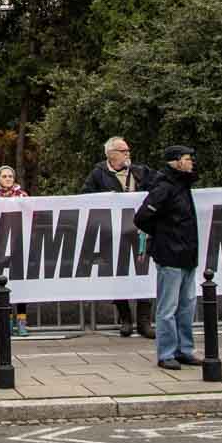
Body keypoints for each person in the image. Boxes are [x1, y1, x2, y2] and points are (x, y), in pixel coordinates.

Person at [136, 146, 201, 371]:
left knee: (187, 306)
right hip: (171, 254)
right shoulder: (164, 187)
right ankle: (166, 353)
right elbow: (142, 217)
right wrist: (163, 235)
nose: (191, 162)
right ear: (175, 162)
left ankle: (185, 350)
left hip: (187, 254)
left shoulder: (183, 185)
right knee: (168, 308)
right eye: (186, 158)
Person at [81, 136, 149, 337]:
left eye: (128, 150)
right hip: (114, 233)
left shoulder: (139, 172)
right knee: (119, 276)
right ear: (111, 154)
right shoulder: (98, 174)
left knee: (143, 273)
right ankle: (126, 318)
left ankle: (144, 321)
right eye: (123, 151)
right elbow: (86, 197)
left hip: (138, 232)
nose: (128, 154)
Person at [0, 165, 30, 336]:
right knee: (4, 283)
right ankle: (8, 319)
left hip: (19, 243)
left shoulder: (22, 195)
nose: (8, 179)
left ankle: (22, 320)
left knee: (21, 282)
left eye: (11, 176)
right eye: (4, 176)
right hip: (0, 244)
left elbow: (31, 214)